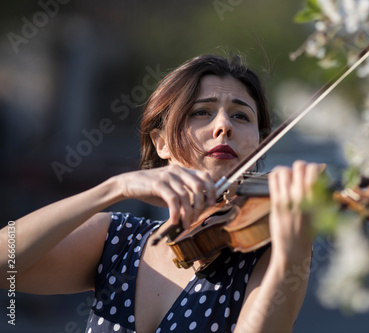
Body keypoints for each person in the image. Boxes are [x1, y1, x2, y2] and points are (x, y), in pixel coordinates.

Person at [0, 54, 324, 333]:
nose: (223, 124)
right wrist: (113, 188)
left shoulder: (265, 252)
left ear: (258, 142)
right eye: (202, 112)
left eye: (241, 115)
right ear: (161, 143)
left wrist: (292, 253)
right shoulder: (117, 239)